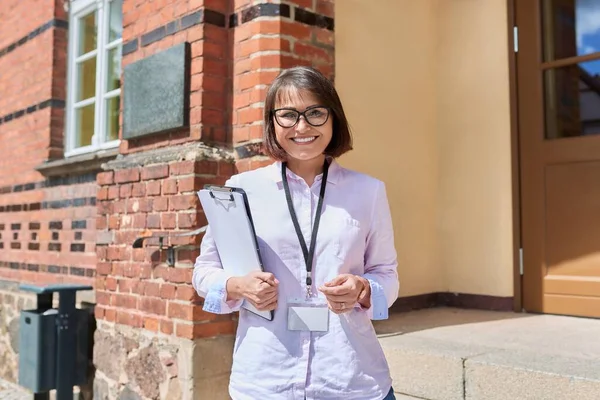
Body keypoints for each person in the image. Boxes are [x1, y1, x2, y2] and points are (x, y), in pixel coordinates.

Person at [192, 66, 399, 400]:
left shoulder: (368, 192)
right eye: (288, 114)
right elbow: (204, 271)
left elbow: (387, 275)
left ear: (334, 118)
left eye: (315, 112)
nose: (302, 127)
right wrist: (237, 285)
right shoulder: (242, 189)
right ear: (273, 122)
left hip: (350, 380)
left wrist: (363, 289)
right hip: (265, 379)